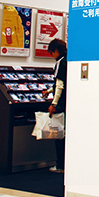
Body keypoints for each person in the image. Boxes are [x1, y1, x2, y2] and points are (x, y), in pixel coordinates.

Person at [43, 38, 67, 173]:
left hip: (61, 104)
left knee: (59, 135)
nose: (52, 56)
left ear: (56, 51)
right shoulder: (69, 60)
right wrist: (49, 91)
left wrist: (54, 103)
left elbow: (60, 85)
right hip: (68, 102)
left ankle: (60, 165)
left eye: (52, 53)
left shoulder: (60, 62)